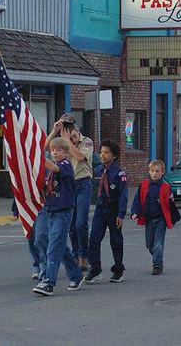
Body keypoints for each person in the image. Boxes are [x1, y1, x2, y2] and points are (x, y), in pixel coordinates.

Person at [32, 137, 84, 296]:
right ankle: (75, 273)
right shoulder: (50, 169)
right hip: (49, 208)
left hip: (63, 210)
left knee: (55, 244)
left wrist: (36, 155)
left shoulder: (66, 166)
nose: (55, 152)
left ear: (66, 153)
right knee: (42, 238)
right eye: (53, 150)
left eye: (59, 150)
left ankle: (48, 281)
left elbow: (55, 169)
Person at [45, 114, 94, 271]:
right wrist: (54, 132)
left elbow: (79, 157)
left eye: (71, 133)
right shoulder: (62, 141)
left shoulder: (86, 141)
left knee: (81, 223)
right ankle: (76, 255)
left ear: (76, 129)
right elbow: (46, 147)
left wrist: (67, 141)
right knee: (72, 225)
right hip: (69, 186)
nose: (70, 137)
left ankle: (83, 256)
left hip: (83, 183)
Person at [85, 139, 128, 283]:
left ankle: (118, 270)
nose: (102, 155)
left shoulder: (119, 173)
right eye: (101, 152)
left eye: (106, 152)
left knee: (116, 240)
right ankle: (95, 268)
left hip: (114, 208)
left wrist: (121, 214)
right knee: (94, 238)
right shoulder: (98, 170)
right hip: (100, 208)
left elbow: (123, 195)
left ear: (114, 155)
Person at [131, 159, 178, 275]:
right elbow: (138, 199)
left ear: (162, 172)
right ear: (149, 172)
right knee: (149, 244)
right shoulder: (144, 185)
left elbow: (171, 205)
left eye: (157, 171)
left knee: (158, 244)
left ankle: (157, 265)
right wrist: (135, 212)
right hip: (149, 219)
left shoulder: (166, 187)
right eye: (152, 171)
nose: (155, 173)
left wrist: (172, 218)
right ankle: (158, 255)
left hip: (161, 219)